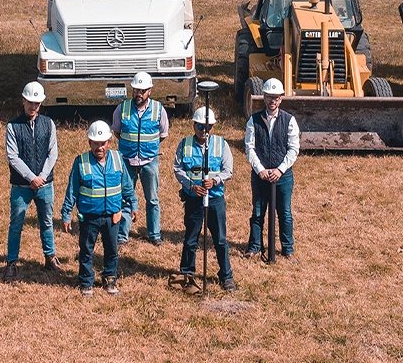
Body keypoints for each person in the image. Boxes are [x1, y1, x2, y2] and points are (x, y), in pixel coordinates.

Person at [61, 121, 135, 296]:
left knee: (112, 250)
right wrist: (66, 214)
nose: (99, 147)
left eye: (103, 143)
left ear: (109, 142)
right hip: (89, 217)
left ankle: (110, 279)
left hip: (112, 216)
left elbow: (127, 187)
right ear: (90, 143)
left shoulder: (118, 159)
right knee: (86, 250)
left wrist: (134, 205)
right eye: (96, 143)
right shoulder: (81, 162)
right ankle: (86, 282)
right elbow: (72, 191)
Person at [173, 107, 236, 294]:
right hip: (194, 199)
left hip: (215, 199)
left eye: (208, 127)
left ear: (213, 127)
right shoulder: (184, 144)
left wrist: (215, 181)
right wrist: (191, 185)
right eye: (200, 126)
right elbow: (178, 169)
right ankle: (187, 274)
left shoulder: (221, 144)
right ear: (194, 125)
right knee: (191, 238)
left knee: (220, 240)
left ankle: (226, 277)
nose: (204, 131)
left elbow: (228, 171)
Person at [4, 82, 60, 284]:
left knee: (47, 222)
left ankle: (50, 257)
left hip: (45, 185)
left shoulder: (49, 123)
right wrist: (31, 178)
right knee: (16, 225)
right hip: (21, 186)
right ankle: (11, 263)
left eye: (37, 103)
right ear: (23, 100)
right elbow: (13, 157)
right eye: (30, 102)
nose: (33, 107)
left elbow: (52, 153)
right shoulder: (13, 126)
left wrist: (42, 177)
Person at [243, 78, 300, 261]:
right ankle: (254, 247)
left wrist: (280, 170)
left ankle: (287, 249)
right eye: (269, 97)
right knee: (258, 212)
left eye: (276, 97)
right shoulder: (253, 120)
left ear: (281, 99)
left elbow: (293, 149)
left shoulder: (289, 121)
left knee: (284, 213)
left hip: (282, 176)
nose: (272, 100)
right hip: (260, 176)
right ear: (264, 97)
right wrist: (260, 169)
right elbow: (249, 147)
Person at [111, 71, 169, 246]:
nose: (139, 94)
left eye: (142, 91)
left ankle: (154, 234)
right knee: (126, 198)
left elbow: (163, 134)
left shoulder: (159, 110)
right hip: (127, 162)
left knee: (152, 199)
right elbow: (117, 131)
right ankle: (122, 235)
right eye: (136, 90)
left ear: (150, 91)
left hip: (149, 162)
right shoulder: (122, 108)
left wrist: (148, 148)